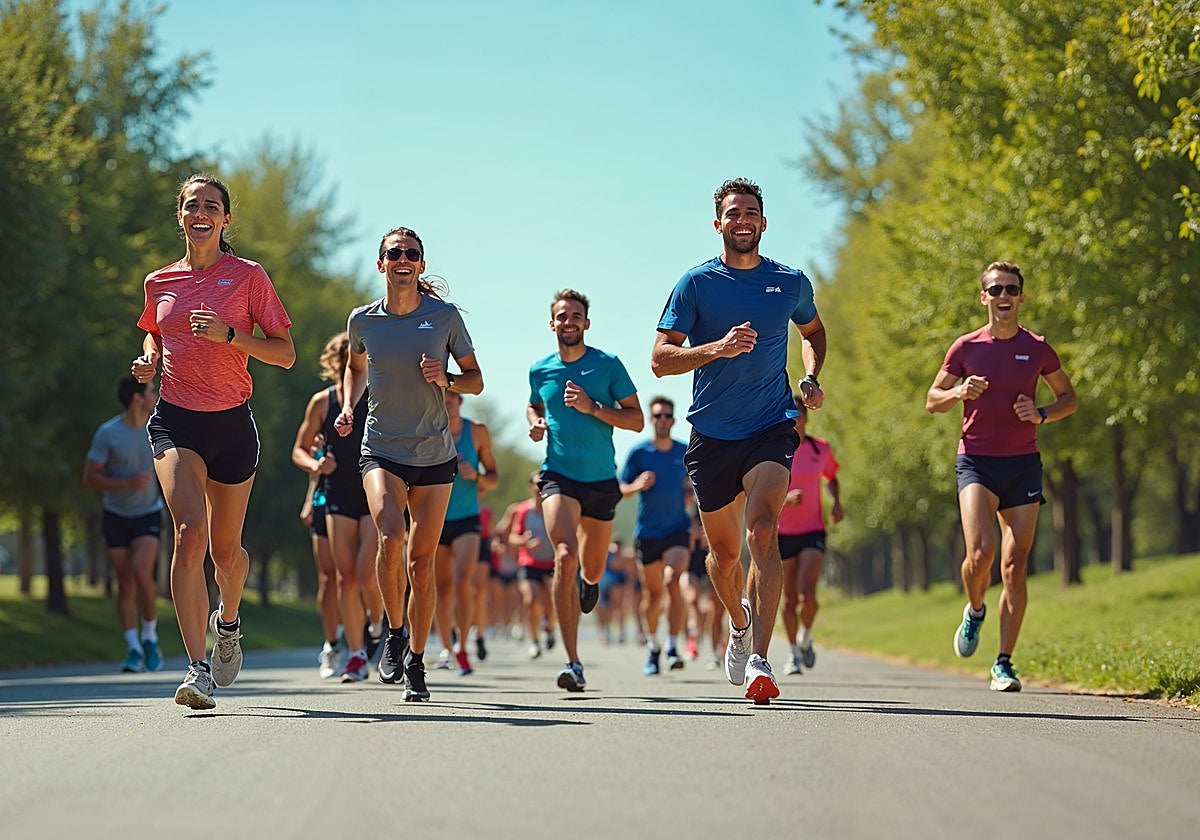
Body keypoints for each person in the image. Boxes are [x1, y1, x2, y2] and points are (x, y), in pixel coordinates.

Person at [652, 177, 826, 704]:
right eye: (733, 213)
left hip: (772, 423)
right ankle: (738, 620)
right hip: (711, 433)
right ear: (719, 223)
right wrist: (718, 349)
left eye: (751, 211)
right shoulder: (696, 284)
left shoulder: (790, 282)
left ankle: (759, 660)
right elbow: (660, 360)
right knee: (723, 560)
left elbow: (813, 332)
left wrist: (812, 376)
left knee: (763, 532)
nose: (743, 220)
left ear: (764, 222)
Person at [131, 173, 295, 710]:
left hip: (232, 424)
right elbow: (156, 330)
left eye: (212, 206)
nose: (201, 213)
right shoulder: (160, 282)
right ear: (179, 216)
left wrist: (231, 337)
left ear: (226, 219)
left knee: (227, 551)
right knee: (188, 530)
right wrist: (149, 358)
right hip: (176, 419)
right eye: (191, 205)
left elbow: (285, 353)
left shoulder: (247, 277)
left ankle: (228, 622)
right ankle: (197, 668)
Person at [336, 226, 482, 702]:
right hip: (380, 447)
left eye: (411, 254)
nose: (403, 259)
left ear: (421, 264)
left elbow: (477, 381)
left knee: (421, 564)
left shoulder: (444, 318)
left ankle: (417, 659)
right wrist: (346, 406)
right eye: (394, 253)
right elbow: (355, 368)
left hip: (436, 454)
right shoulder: (363, 321)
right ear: (381, 264)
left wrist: (449, 377)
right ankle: (393, 631)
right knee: (390, 534)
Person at [926, 261, 1077, 692]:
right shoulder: (966, 347)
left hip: (1023, 462)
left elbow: (1069, 397)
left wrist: (1042, 413)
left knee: (1015, 566)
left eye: (1011, 289)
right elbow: (931, 400)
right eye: (995, 290)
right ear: (984, 297)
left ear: (1021, 297)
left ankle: (1004, 663)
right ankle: (975, 611)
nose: (1003, 296)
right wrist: (959, 392)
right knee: (981, 554)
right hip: (975, 460)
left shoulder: (1039, 348)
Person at [528, 289, 644, 692]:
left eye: (576, 315)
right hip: (558, 474)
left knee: (590, 569)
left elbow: (636, 421)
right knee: (563, 554)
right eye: (563, 316)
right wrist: (536, 422)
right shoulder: (540, 370)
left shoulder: (608, 366)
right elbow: (534, 405)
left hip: (600, 481)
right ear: (553, 323)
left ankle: (588, 583)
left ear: (586, 323)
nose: (569, 321)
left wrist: (593, 407)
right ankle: (572, 661)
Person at [293, 332, 384, 683]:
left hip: (373, 489)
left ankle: (378, 622)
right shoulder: (323, 402)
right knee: (342, 578)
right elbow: (298, 449)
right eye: (348, 357)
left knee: (366, 574)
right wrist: (315, 465)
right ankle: (355, 654)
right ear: (338, 362)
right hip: (336, 493)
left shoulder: (379, 396)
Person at [84, 375, 165, 674]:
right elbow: (90, 477)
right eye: (151, 391)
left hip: (148, 513)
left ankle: (150, 637)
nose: (155, 395)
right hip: (116, 515)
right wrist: (126, 482)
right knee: (125, 580)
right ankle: (132, 647)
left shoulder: (158, 428)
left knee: (141, 572)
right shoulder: (108, 433)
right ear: (137, 398)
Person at [619, 396, 693, 675]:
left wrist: (690, 496)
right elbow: (621, 489)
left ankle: (674, 646)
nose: (663, 420)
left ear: (673, 420)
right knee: (653, 595)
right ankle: (653, 647)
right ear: (651, 420)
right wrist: (637, 485)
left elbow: (697, 487)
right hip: (648, 533)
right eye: (658, 415)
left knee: (673, 582)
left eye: (667, 415)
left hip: (677, 530)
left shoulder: (684, 452)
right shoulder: (639, 453)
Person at [432, 391, 498, 676]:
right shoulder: (428, 429)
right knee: (442, 590)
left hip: (467, 518)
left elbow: (494, 477)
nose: (447, 402)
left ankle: (463, 646)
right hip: (435, 517)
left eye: (452, 398)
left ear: (460, 401)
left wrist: (478, 476)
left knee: (463, 582)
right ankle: (446, 647)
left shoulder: (478, 431)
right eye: (441, 397)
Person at [777, 398, 843, 675]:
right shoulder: (775, 451)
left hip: (813, 530)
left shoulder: (820, 449)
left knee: (809, 592)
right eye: (789, 414)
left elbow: (832, 477)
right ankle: (793, 652)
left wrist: (837, 502)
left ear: (806, 417)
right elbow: (757, 493)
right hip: (781, 534)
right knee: (789, 599)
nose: (795, 419)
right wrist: (785, 498)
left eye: (799, 414)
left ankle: (807, 634)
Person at [297, 446, 343, 679]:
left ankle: (365, 638)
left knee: (355, 575)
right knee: (328, 578)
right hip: (323, 502)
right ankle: (332, 643)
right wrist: (308, 501)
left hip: (359, 505)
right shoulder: (321, 418)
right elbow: (311, 466)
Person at [509, 472, 557, 659]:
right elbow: (512, 537)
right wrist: (524, 542)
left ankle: (549, 627)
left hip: (552, 563)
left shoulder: (554, 508)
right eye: (537, 485)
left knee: (552, 600)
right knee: (531, 601)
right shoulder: (522, 510)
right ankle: (535, 641)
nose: (540, 489)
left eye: (543, 484)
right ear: (531, 487)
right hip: (529, 563)